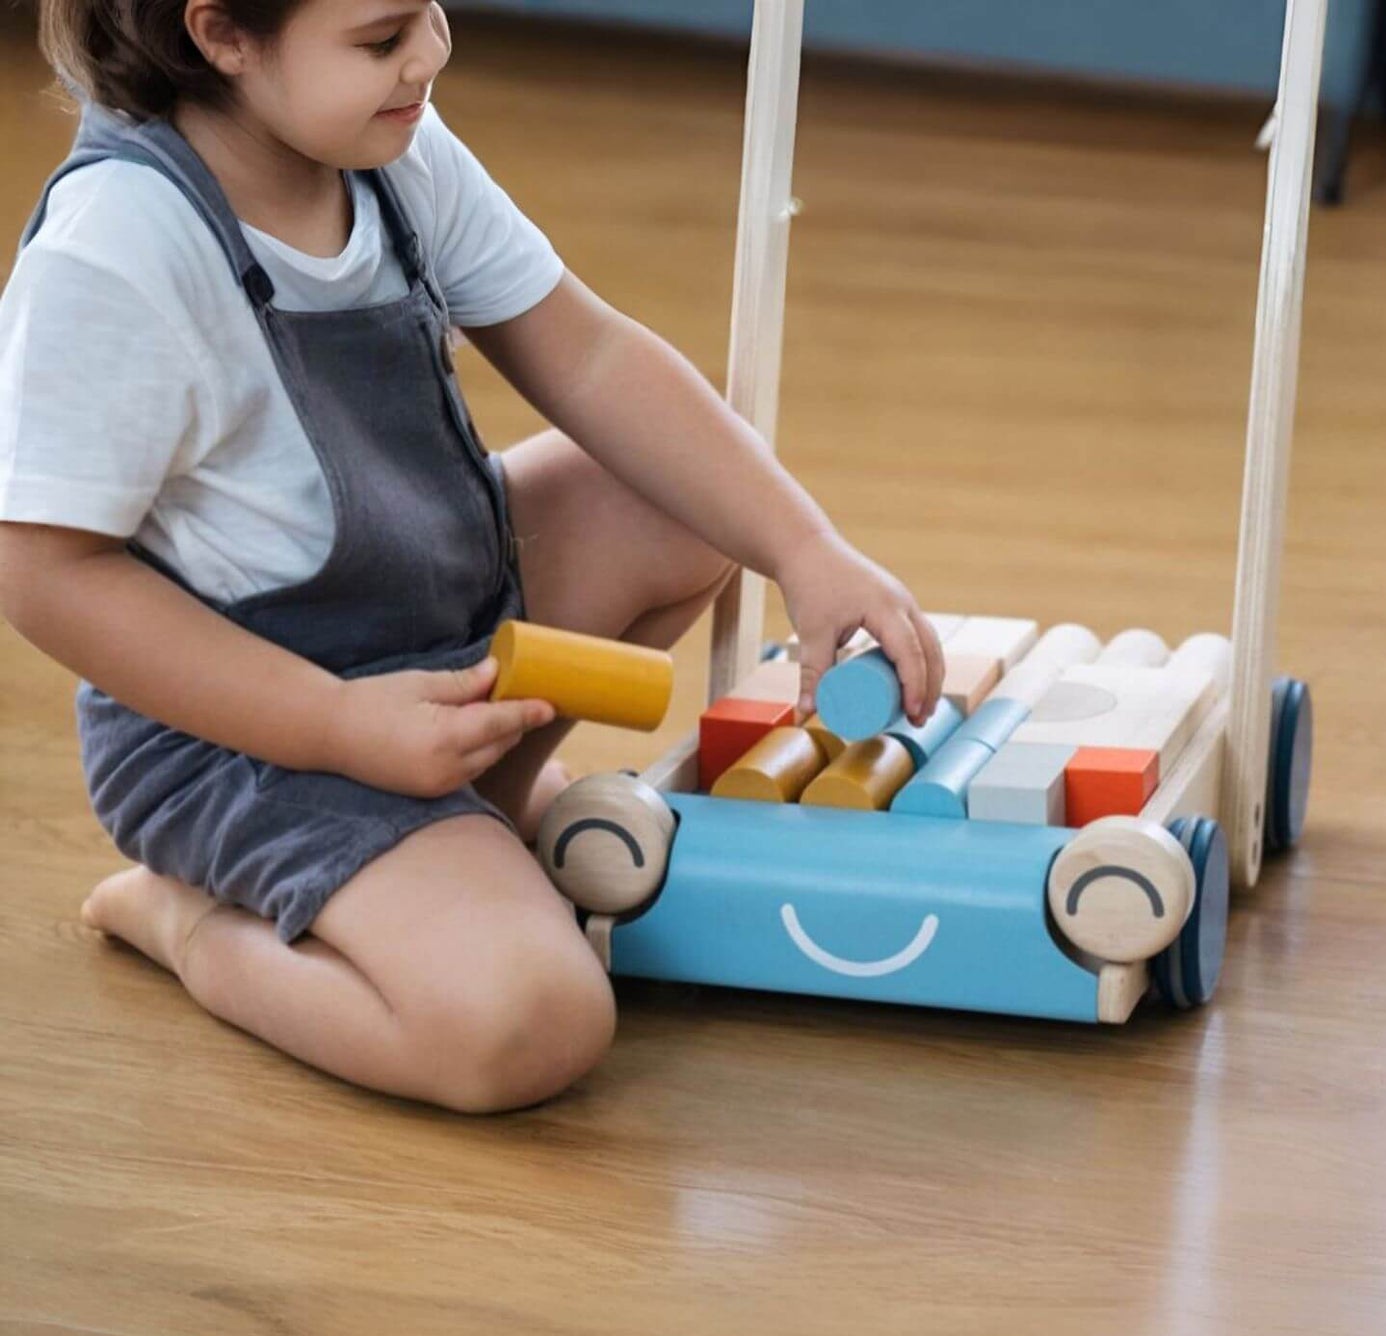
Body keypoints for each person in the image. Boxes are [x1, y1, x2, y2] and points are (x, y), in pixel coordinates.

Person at [0, 0, 945, 1113]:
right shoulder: (119, 246)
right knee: (530, 1023)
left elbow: (587, 352)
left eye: (434, 8)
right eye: (381, 36)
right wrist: (338, 725)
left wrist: (804, 545)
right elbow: (43, 570)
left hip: (437, 621)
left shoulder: (390, 147)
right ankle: (193, 921)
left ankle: (464, 820)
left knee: (692, 494)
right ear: (221, 35)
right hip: (247, 738)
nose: (432, 50)